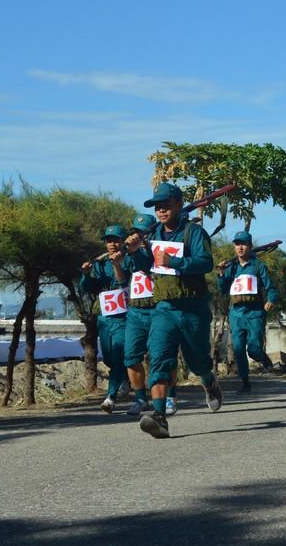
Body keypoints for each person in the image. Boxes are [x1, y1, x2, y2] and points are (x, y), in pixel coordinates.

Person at [132, 182, 224, 439]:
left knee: (197, 361)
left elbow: (205, 262)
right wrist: (134, 251)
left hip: (193, 307)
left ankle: (209, 380)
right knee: (160, 357)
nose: (161, 210)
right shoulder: (153, 236)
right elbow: (144, 265)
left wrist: (174, 261)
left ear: (178, 205)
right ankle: (160, 416)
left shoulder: (193, 233)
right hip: (164, 307)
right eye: (157, 207)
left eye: (165, 205)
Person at [120, 213, 175, 416]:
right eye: (135, 231)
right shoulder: (130, 252)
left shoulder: (159, 249)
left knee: (162, 356)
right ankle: (141, 399)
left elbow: (146, 263)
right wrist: (118, 261)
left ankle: (169, 397)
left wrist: (137, 251)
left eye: (142, 232)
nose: (138, 234)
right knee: (131, 356)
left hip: (158, 308)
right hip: (135, 311)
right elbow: (121, 277)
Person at [216, 231, 278, 394]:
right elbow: (222, 289)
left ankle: (263, 358)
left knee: (254, 349)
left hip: (255, 313)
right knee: (238, 348)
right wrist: (221, 274)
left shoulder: (258, 266)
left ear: (250, 246)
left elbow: (271, 287)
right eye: (237, 244)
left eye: (243, 244)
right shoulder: (231, 268)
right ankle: (245, 381)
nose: (240, 247)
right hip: (236, 314)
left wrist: (270, 300)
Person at [80, 225, 130, 413]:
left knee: (117, 355)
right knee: (109, 358)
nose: (112, 243)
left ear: (123, 240)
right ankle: (124, 377)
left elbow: (124, 281)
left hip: (123, 317)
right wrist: (85, 275)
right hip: (104, 317)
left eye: (116, 239)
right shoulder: (101, 264)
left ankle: (111, 397)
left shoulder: (129, 259)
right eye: (108, 240)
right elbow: (91, 287)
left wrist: (117, 264)